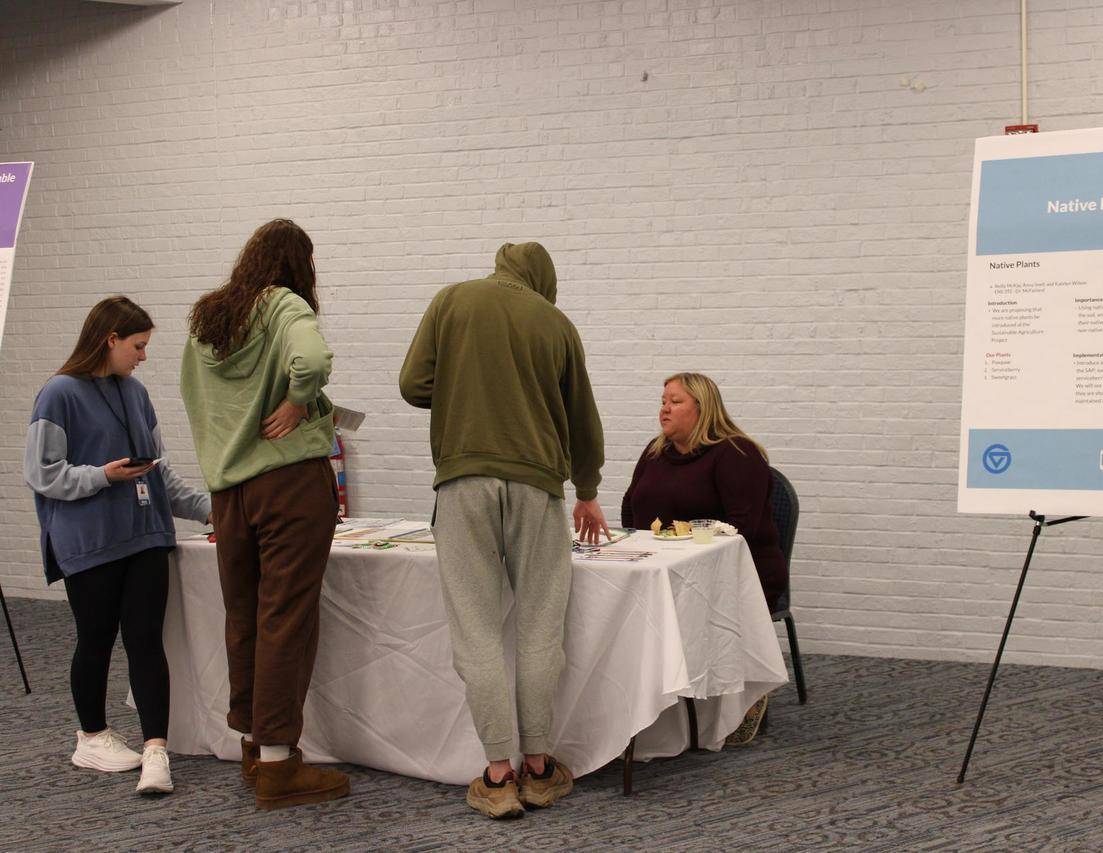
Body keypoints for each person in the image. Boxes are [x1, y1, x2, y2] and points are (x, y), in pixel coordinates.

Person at [399, 241, 607, 819]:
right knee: (541, 626)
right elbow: (583, 421)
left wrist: (467, 387)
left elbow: (412, 385)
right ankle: (539, 769)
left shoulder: (452, 301)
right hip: (539, 487)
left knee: (477, 629)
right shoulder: (557, 324)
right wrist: (586, 491)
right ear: (543, 279)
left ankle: (497, 776)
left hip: (463, 482)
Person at [180, 218, 349, 811]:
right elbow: (312, 358)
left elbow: (194, 395)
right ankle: (279, 765)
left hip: (230, 491)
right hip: (288, 485)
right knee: (286, 618)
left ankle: (254, 743)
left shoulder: (210, 318)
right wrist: (298, 403)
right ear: (297, 265)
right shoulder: (284, 305)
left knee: (244, 614)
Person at [25, 296, 212, 796]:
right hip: (91, 543)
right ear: (110, 340)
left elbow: (159, 472)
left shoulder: (136, 393)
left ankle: (156, 750)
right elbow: (42, 474)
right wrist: (103, 476)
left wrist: (214, 511)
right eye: (138, 346)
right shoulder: (59, 394)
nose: (143, 356)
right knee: (96, 639)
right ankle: (91, 736)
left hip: (147, 537)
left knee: (147, 641)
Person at [620, 371, 787, 744]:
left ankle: (742, 696)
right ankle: (649, 701)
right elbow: (630, 511)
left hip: (738, 570)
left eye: (675, 402)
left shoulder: (737, 453)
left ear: (702, 408)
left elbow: (741, 527)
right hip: (666, 565)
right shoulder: (655, 451)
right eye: (663, 401)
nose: (665, 409)